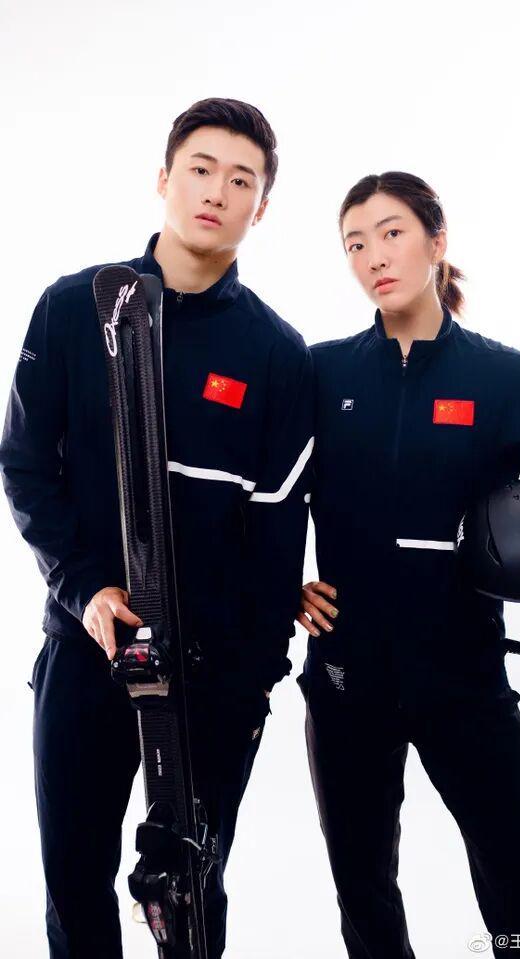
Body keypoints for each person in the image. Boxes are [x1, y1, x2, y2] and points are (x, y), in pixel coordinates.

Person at [0, 97, 314, 959]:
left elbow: (277, 536)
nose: (216, 191)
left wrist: (254, 683)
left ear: (261, 207)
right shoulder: (76, 308)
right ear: (164, 178)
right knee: (74, 881)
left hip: (215, 672)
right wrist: (84, 589)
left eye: (241, 180)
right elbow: (24, 466)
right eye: (200, 169)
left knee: (189, 892)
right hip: (89, 646)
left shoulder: (277, 354)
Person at [296, 171, 520, 959]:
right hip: (345, 679)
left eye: (391, 233)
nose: (374, 256)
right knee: (363, 888)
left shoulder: (508, 378)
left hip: (463, 676)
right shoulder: (319, 374)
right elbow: (262, 497)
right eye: (355, 243)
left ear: (436, 239)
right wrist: (280, 579)